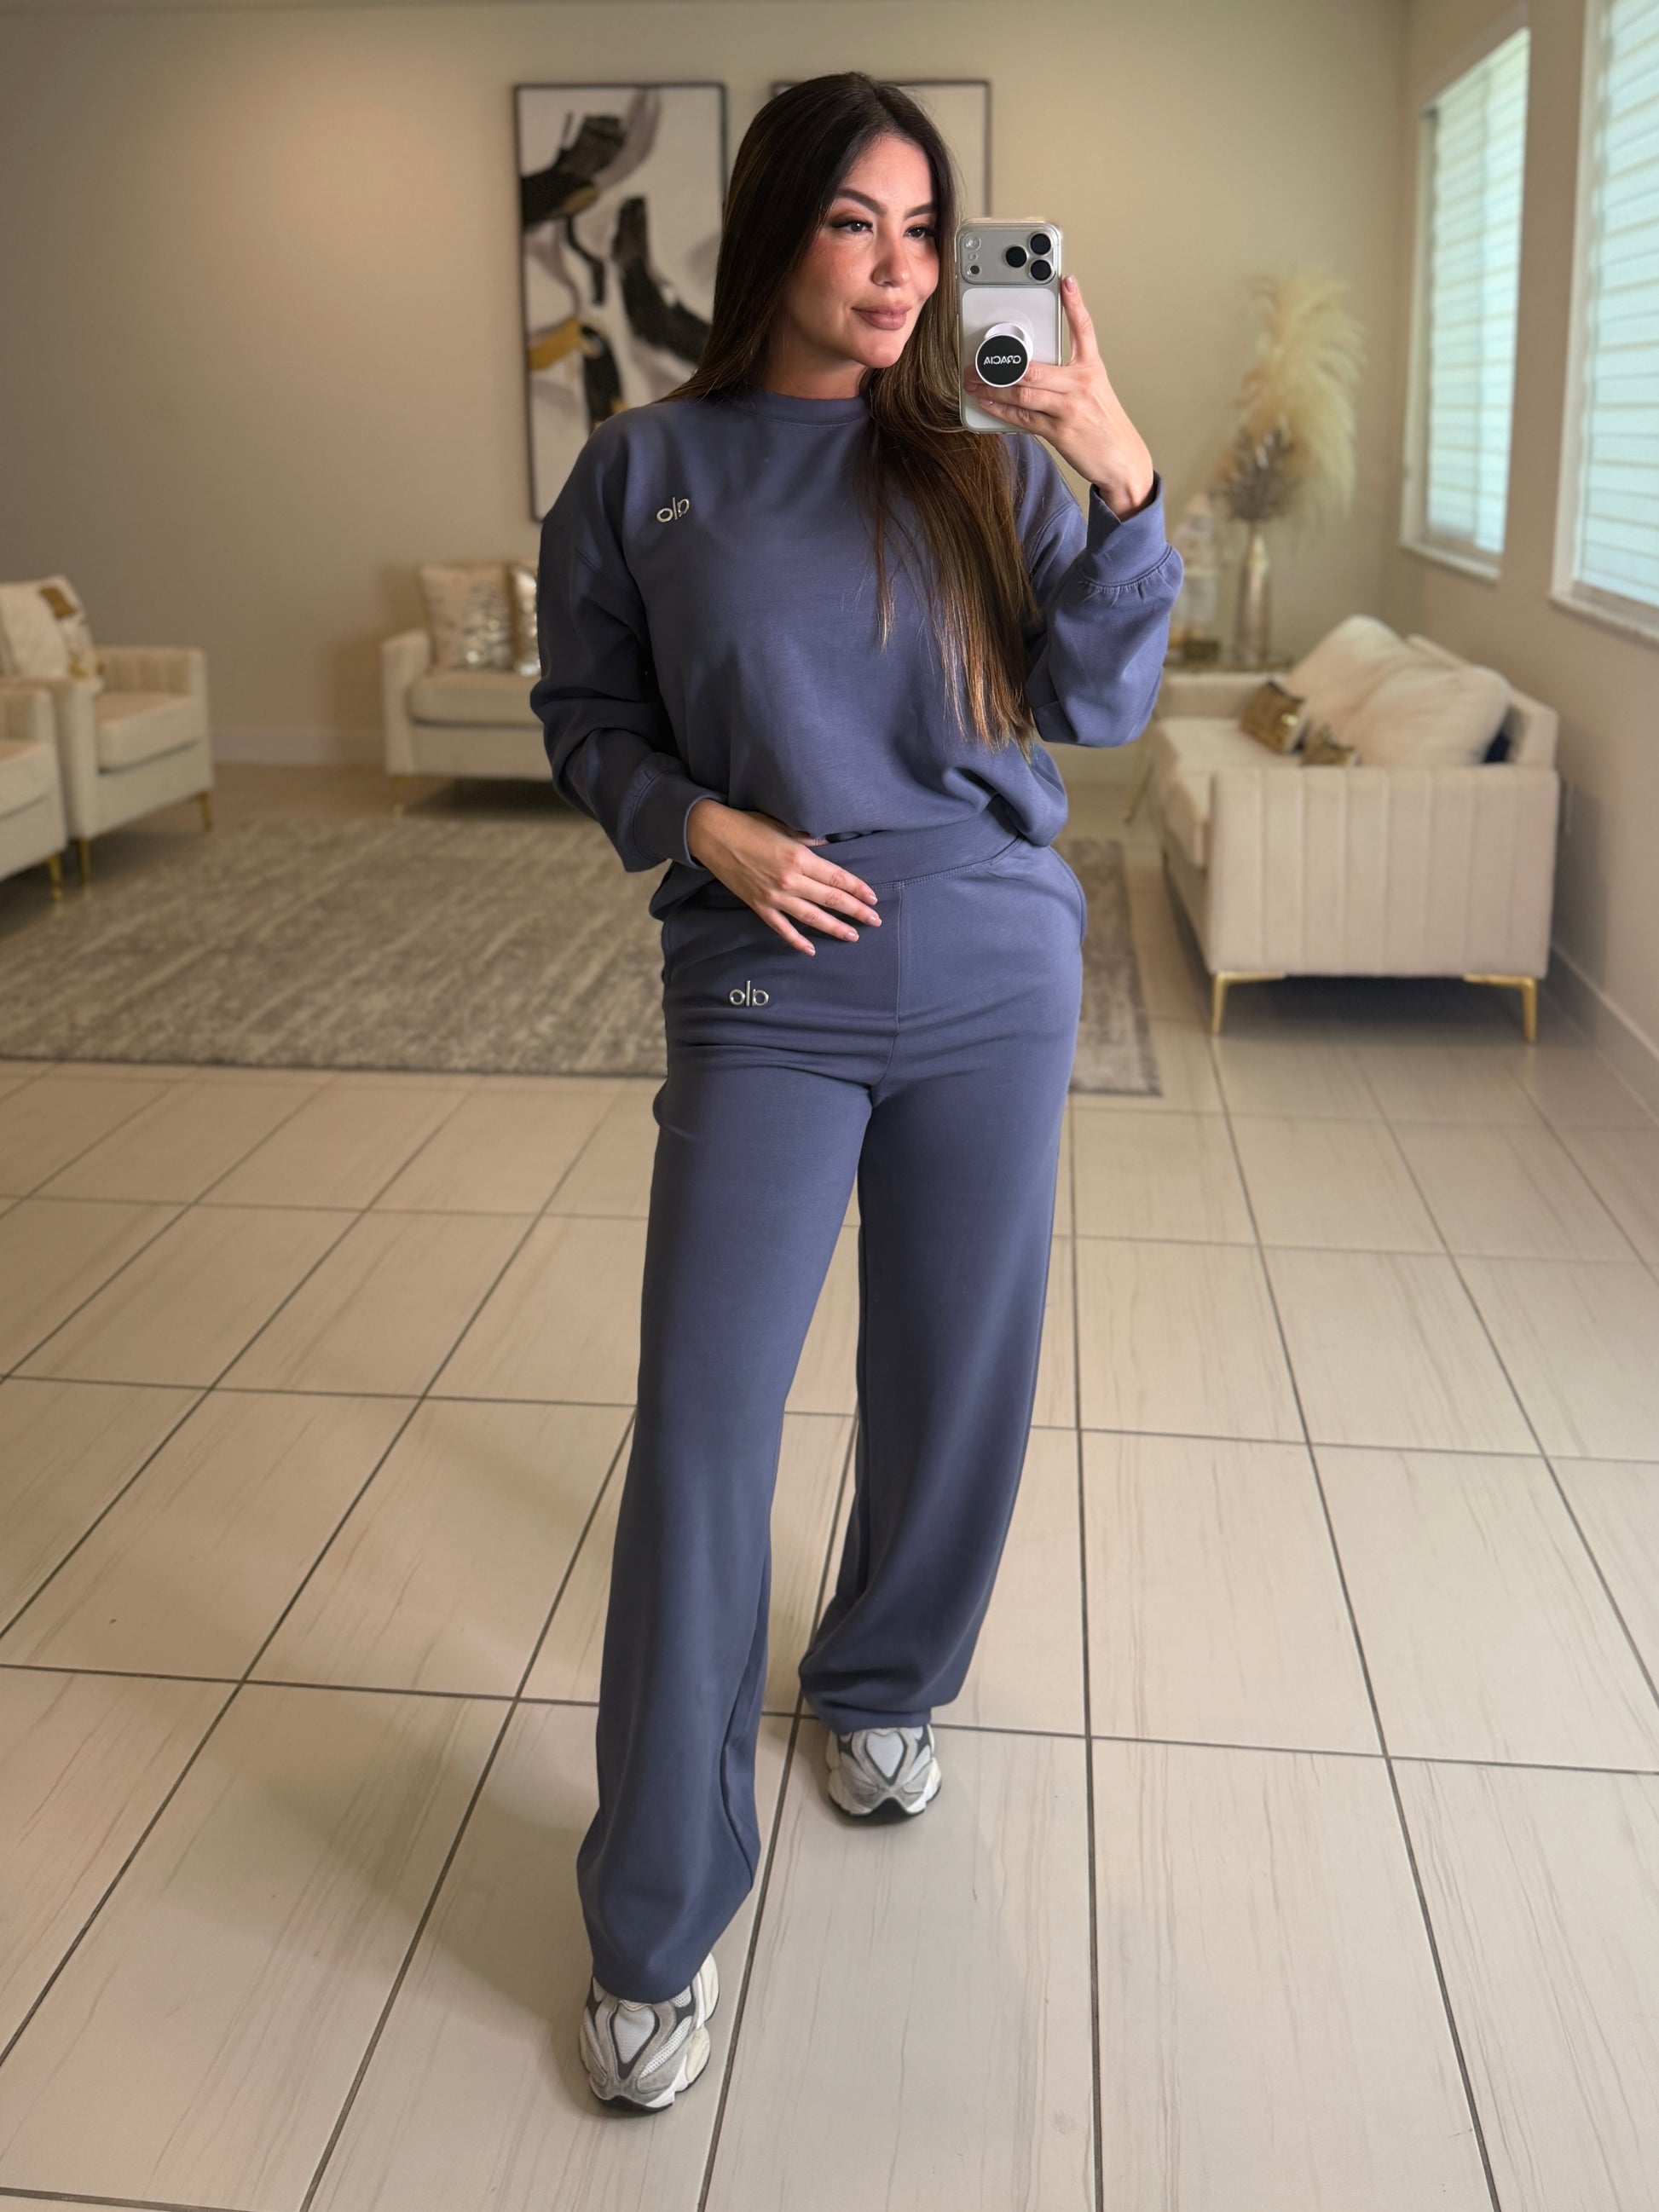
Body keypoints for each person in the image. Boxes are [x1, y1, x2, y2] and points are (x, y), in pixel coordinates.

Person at [530, 72, 1182, 2112]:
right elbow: (585, 715)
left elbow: (1097, 702)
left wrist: (1119, 475)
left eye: (925, 228)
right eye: (851, 223)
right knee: (704, 1424)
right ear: (772, 233)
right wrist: (696, 821)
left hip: (993, 968)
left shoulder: (991, 459)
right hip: (765, 982)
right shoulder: (644, 468)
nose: (898, 269)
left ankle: (882, 1676)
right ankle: (654, 1913)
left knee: (950, 1370)